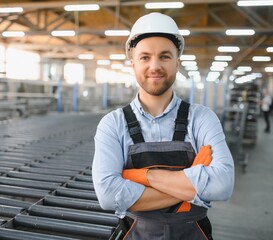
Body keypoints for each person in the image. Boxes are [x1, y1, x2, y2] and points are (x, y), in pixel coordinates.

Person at [92, 12, 234, 240]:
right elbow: (108, 195)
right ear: (133, 63)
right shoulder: (113, 124)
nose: (155, 66)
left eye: (165, 56)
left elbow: (222, 184)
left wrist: (142, 177)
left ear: (177, 63)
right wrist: (189, 187)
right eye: (145, 57)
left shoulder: (202, 119)